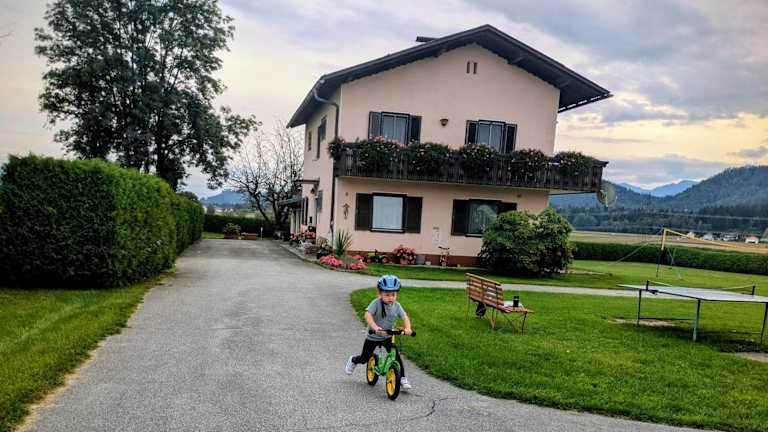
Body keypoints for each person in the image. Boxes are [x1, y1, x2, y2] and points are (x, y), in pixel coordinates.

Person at [345, 274, 413, 389]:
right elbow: (367, 315)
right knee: (365, 358)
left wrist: (408, 328)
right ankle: (353, 360)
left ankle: (402, 378)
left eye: (393, 294)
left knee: (396, 356)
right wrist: (375, 328)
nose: (390, 298)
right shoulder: (376, 303)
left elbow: (405, 317)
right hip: (373, 337)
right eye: (387, 295)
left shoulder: (397, 305)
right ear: (380, 293)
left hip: (387, 337)